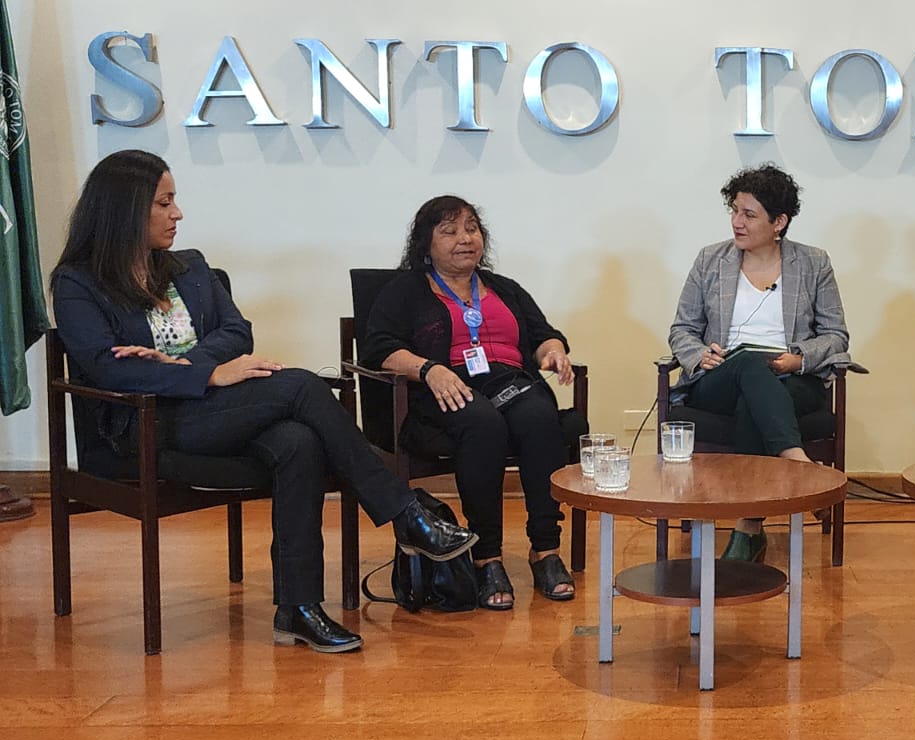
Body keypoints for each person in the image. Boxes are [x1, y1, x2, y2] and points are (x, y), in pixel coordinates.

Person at [51, 150, 476, 654]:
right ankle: (404, 515)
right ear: (126, 210)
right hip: (142, 427)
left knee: (297, 441)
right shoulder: (78, 283)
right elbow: (107, 367)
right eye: (164, 203)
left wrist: (187, 366)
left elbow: (237, 330)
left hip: (208, 410)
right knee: (298, 384)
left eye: (174, 201)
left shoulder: (188, 267)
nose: (178, 213)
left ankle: (297, 609)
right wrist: (207, 372)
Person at [362, 196, 583, 606]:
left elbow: (543, 334)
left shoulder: (505, 289)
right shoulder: (405, 291)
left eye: (471, 228)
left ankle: (546, 550)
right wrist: (429, 369)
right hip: (444, 390)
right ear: (425, 244)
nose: (465, 239)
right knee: (482, 424)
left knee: (539, 415)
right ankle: (486, 556)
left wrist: (552, 351)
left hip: (508, 382)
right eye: (449, 231)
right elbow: (378, 348)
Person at [668, 164, 852, 563]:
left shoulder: (813, 263)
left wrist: (799, 358)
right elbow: (682, 329)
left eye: (749, 214)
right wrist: (700, 354)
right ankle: (797, 463)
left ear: (779, 222)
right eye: (734, 211)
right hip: (721, 376)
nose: (737, 222)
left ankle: (749, 528)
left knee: (755, 396)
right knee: (749, 364)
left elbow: (836, 335)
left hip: (789, 377)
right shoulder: (710, 260)